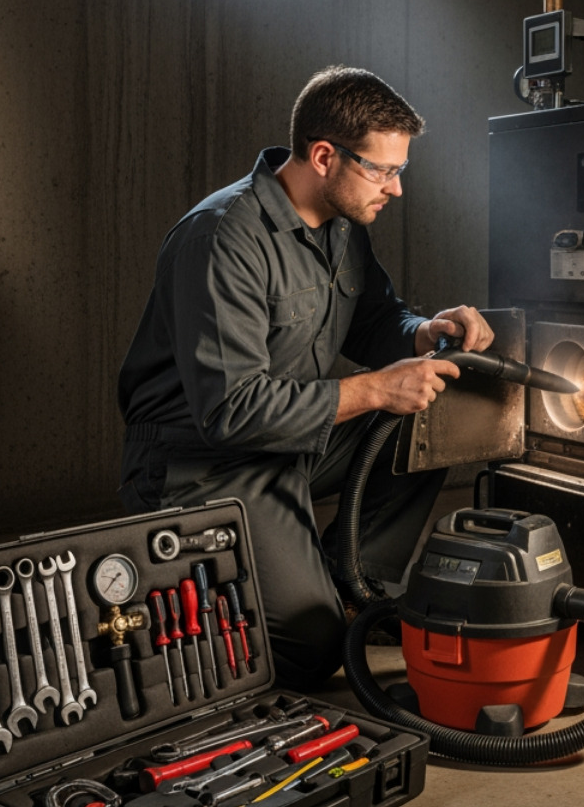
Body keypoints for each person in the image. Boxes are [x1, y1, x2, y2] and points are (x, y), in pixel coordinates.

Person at [117, 65, 493, 689]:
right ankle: (218, 609)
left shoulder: (343, 227)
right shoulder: (223, 237)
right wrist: (374, 388)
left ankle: (349, 589)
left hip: (291, 445)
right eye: (384, 169)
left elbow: (374, 321)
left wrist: (425, 331)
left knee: (430, 419)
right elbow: (231, 410)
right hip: (201, 464)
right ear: (324, 155)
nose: (395, 189)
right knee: (313, 654)